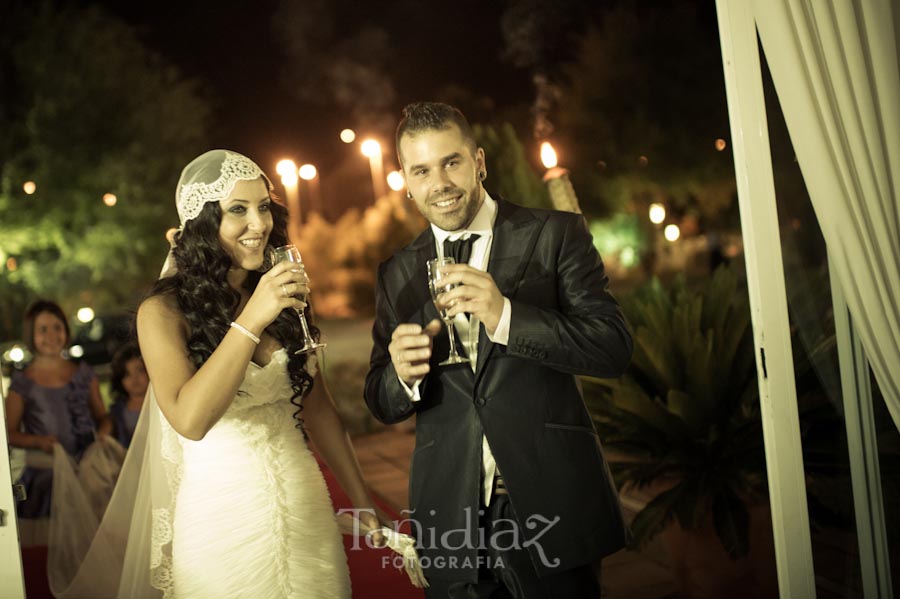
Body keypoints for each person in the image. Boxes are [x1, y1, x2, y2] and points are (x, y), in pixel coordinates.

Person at [48, 149, 384, 598]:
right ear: (203, 223)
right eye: (238, 210)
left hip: (306, 509)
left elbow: (319, 408)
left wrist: (363, 500)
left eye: (264, 207)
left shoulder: (281, 289)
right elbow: (190, 420)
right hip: (221, 522)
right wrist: (252, 320)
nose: (259, 224)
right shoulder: (163, 312)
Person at [365, 102, 633, 598]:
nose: (439, 182)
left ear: (479, 161)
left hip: (550, 501)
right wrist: (400, 375)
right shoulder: (396, 271)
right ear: (404, 179)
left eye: (452, 162)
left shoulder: (555, 235)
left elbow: (612, 347)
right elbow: (380, 400)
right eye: (421, 170)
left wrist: (505, 315)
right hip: (449, 516)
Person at [5, 299, 112, 545]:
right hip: (45, 478)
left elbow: (102, 417)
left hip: (85, 473)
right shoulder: (23, 382)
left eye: (57, 327)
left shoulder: (84, 373)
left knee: (90, 542)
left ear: (66, 329)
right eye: (43, 329)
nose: (52, 335)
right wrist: (37, 440)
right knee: (50, 546)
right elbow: (10, 433)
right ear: (31, 334)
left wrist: (103, 433)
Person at [107, 343, 148, 448]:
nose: (134, 379)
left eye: (139, 371)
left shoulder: (161, 404)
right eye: (127, 374)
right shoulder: (117, 412)